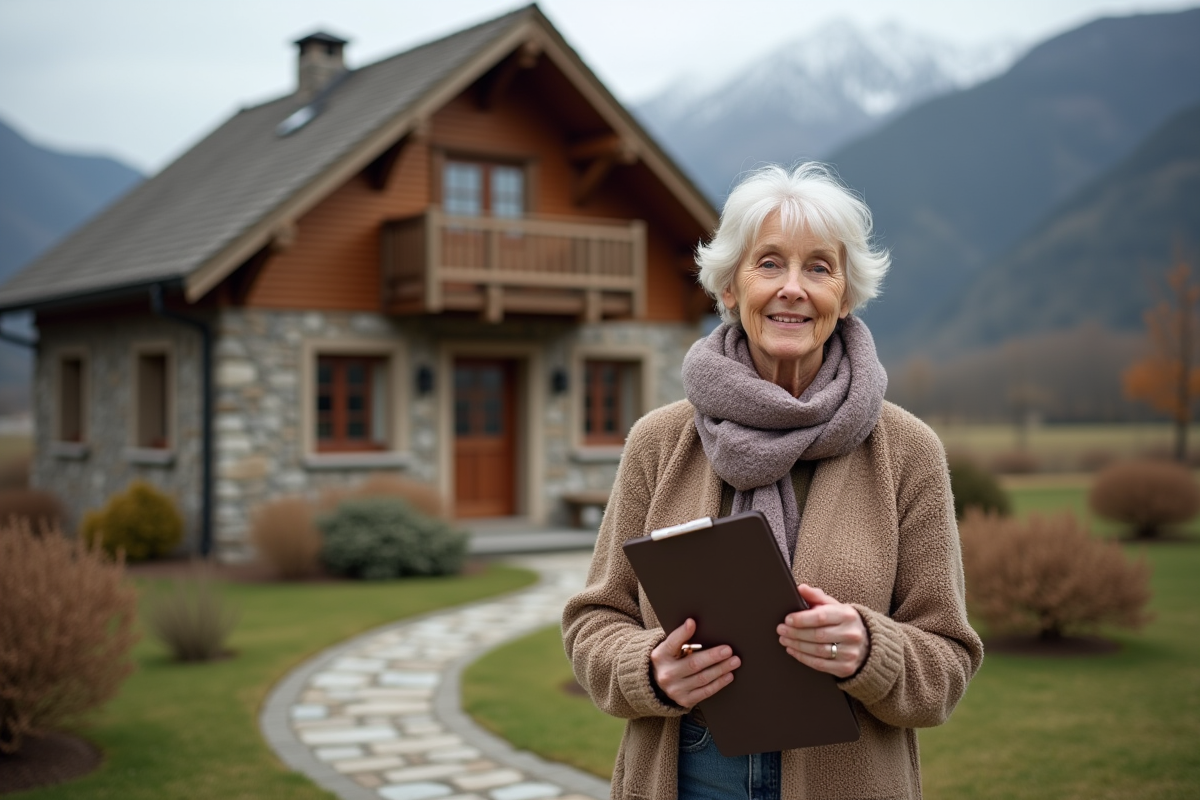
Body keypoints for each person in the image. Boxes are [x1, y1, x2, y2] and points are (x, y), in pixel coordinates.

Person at [562, 163, 983, 800]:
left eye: (818, 267)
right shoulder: (659, 440)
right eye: (768, 264)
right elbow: (595, 620)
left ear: (845, 295)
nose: (793, 288)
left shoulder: (907, 451)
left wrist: (873, 648)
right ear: (730, 287)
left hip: (847, 776)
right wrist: (647, 670)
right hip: (688, 770)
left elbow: (947, 661)